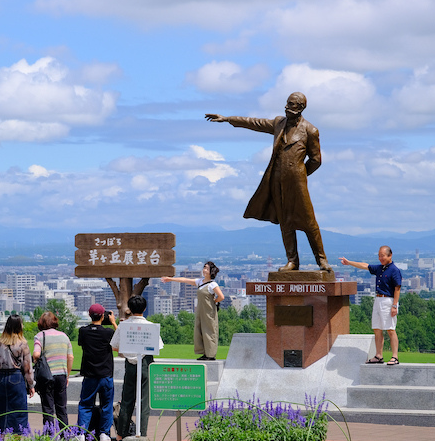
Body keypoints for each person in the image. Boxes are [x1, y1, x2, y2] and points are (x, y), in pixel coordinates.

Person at [206, 92, 332, 272]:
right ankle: (292, 261)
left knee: (309, 222)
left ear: (301, 108)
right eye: (287, 105)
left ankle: (322, 260)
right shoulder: (278, 123)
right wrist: (227, 119)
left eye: (292, 106)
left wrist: (300, 174)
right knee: (285, 222)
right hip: (277, 181)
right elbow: (254, 123)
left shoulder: (310, 130)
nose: (288, 109)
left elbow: (316, 159)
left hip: (297, 182)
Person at [109, 294, 164, 441]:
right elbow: (158, 347)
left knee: (127, 401)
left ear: (130, 310)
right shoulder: (151, 326)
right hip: (146, 365)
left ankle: (121, 436)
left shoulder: (124, 326)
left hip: (130, 365)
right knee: (144, 402)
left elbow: (114, 346)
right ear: (145, 309)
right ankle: (142, 435)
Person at [339, 246, 402, 365]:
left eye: (382, 255)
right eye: (379, 256)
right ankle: (379, 355)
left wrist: (395, 306)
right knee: (377, 328)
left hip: (388, 301)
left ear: (390, 255)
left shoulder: (394, 270)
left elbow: (397, 289)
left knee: (390, 329)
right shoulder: (380, 268)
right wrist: (349, 262)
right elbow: (365, 265)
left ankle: (395, 356)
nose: (380, 258)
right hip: (378, 300)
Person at [162, 261, 225, 360]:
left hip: (209, 312)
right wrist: (170, 279)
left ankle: (211, 355)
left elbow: (221, 296)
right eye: (204, 267)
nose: (204, 270)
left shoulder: (213, 284)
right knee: (200, 330)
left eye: (207, 268)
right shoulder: (200, 282)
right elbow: (184, 280)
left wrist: (214, 301)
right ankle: (204, 353)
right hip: (200, 310)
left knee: (209, 331)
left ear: (211, 271)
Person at [76, 304, 118, 441]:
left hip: (89, 375)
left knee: (85, 405)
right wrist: (113, 323)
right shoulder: (108, 333)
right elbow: (120, 344)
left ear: (89, 315)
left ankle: (81, 433)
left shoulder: (83, 331)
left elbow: (82, 343)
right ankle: (104, 434)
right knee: (106, 405)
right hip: (106, 375)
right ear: (102, 316)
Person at [0, 314, 35, 434]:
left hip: (3, 377)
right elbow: (27, 367)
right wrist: (31, 385)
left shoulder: (0, 343)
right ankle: (17, 439)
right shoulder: (22, 343)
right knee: (19, 410)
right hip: (16, 377)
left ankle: (0, 438)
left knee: (2, 410)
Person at [33, 311, 74, 429]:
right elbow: (70, 357)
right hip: (61, 374)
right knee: (61, 408)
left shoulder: (40, 336)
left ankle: (49, 435)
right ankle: (65, 435)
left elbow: (36, 354)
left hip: (46, 376)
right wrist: (68, 375)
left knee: (48, 408)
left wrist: (37, 359)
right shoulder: (64, 336)